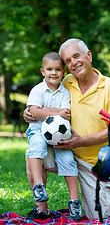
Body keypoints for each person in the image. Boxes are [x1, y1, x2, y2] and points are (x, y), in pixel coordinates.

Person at [24, 38, 110, 220]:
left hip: (92, 163)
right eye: (68, 61)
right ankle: (41, 208)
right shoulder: (65, 82)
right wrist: (30, 112)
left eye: (76, 56)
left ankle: (79, 203)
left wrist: (80, 141)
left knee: (101, 216)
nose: (73, 63)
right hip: (62, 151)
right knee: (33, 152)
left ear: (89, 55)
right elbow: (43, 101)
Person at [25, 51, 83, 221]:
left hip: (59, 134)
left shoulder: (65, 92)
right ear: (43, 71)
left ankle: (74, 202)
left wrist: (45, 112)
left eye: (58, 69)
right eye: (49, 69)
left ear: (63, 72)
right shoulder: (38, 90)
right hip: (37, 130)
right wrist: (56, 112)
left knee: (68, 160)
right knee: (37, 146)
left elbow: (66, 115)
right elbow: (35, 112)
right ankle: (39, 187)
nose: (53, 73)